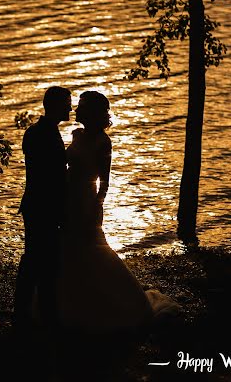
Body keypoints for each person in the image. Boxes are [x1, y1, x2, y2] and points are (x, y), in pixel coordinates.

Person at [47, 90, 181, 333]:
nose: (76, 109)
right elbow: (64, 165)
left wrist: (95, 207)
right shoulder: (77, 135)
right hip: (69, 199)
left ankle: (119, 303)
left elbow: (105, 182)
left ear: (93, 112)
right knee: (70, 251)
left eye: (82, 106)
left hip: (86, 202)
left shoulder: (102, 142)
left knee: (93, 251)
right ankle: (72, 303)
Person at [13, 85, 72, 329]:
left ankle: (33, 309)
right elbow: (49, 176)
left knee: (40, 258)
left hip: (39, 204)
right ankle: (33, 311)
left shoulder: (42, 131)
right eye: (67, 103)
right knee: (39, 260)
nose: (70, 107)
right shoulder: (41, 134)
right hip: (42, 206)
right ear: (56, 105)